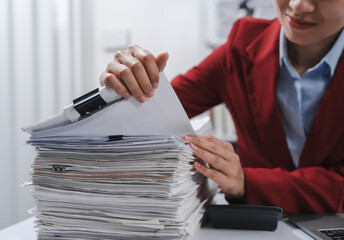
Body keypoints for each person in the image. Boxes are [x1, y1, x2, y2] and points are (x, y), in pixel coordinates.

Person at [99, 0, 344, 214]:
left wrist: (247, 182)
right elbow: (149, 112)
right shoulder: (242, 49)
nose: (299, 4)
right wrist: (121, 91)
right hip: (255, 228)